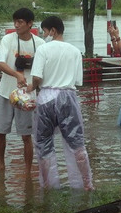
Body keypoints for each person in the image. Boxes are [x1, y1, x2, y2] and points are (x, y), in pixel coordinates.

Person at [27, 15, 93, 190]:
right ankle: (86, 184)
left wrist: (29, 88)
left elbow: (37, 78)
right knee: (77, 143)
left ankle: (49, 186)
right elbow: (77, 81)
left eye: (45, 31)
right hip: (68, 97)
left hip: (46, 97)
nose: (44, 34)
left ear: (53, 31)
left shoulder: (43, 49)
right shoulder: (74, 51)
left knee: (44, 145)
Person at [0, 7, 39, 172]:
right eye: (15, 22)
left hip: (26, 96)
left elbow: (42, 72)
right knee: (0, 131)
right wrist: (16, 75)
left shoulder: (39, 43)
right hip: (5, 93)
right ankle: (1, 165)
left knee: (27, 136)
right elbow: (0, 63)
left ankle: (27, 171)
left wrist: (33, 85)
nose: (16, 25)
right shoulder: (7, 39)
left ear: (29, 24)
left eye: (20, 22)